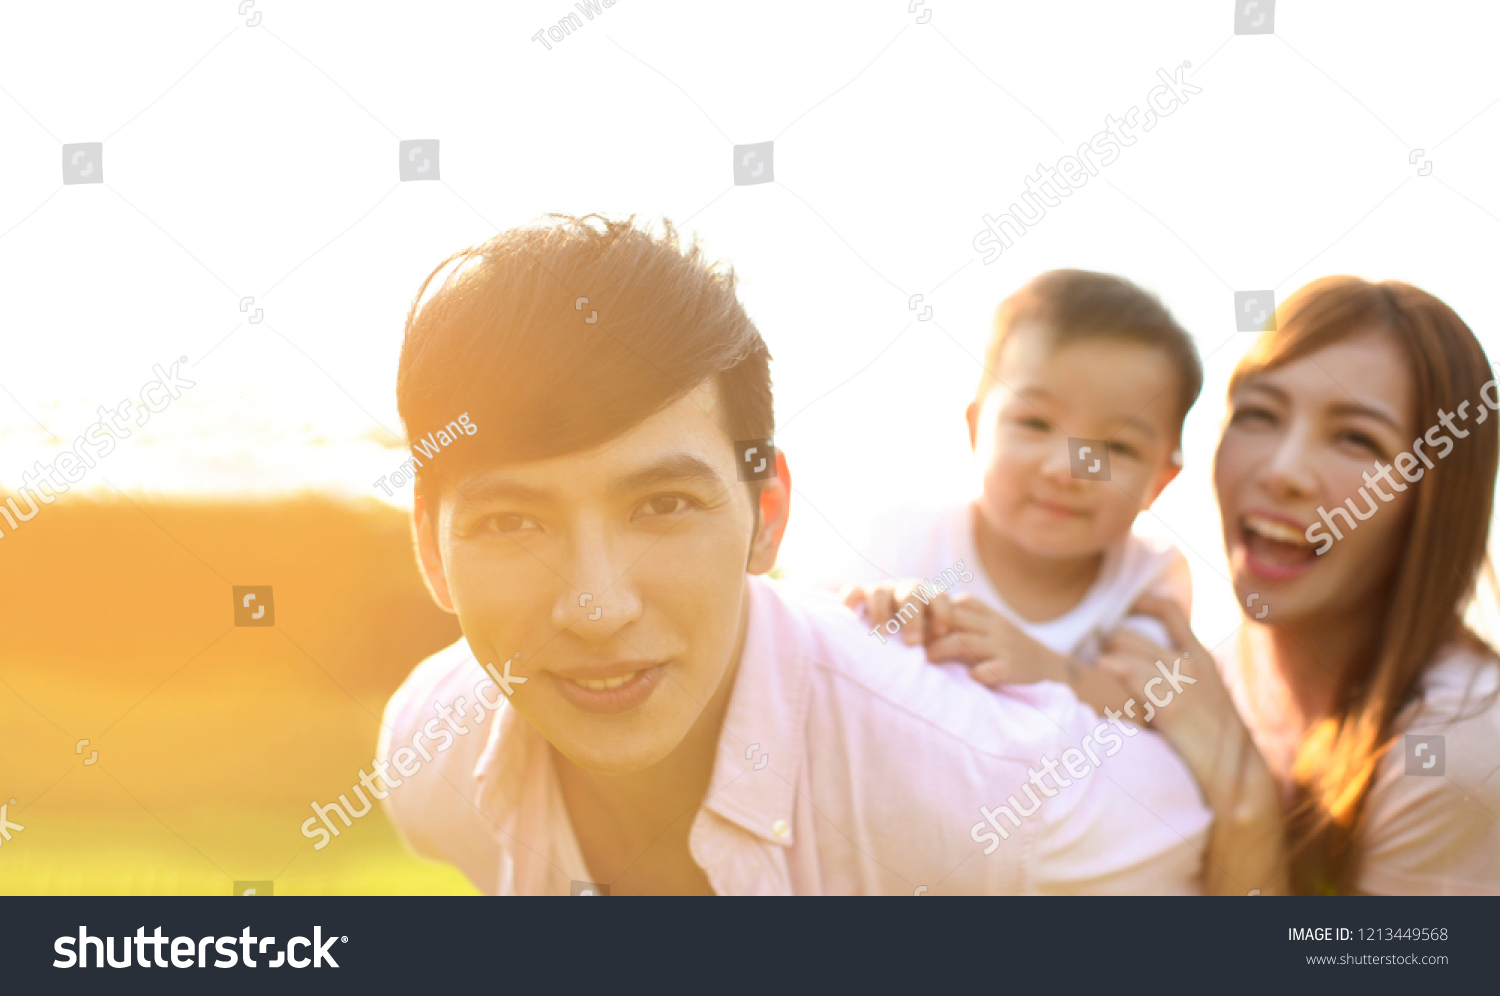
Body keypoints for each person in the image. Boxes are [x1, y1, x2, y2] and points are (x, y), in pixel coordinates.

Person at [374, 215, 1211, 895]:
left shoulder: (991, 790)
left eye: (662, 505)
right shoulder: (427, 760)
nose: (597, 608)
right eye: (512, 522)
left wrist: (1243, 808)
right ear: (430, 551)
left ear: (766, 513)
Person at [844, 270, 1286, 895]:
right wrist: (876, 611)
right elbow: (817, 651)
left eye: (1115, 449)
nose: (1065, 469)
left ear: (1160, 481)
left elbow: (1146, 709)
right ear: (976, 429)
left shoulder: (1146, 576)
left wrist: (1045, 667)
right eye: (1034, 424)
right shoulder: (901, 539)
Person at [1201, 276, 1500, 895]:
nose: (1282, 471)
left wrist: (1247, 814)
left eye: (1357, 438)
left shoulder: (1458, 747)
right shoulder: (1198, 668)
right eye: (1258, 414)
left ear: (1434, 500)